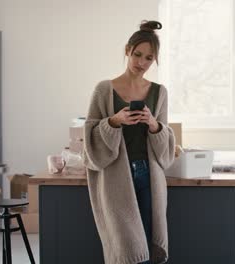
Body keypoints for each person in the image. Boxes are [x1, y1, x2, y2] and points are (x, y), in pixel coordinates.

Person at [82, 20, 175, 264]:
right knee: (127, 250)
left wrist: (154, 125)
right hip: (116, 179)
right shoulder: (104, 89)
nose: (141, 63)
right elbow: (90, 139)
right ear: (127, 50)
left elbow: (166, 151)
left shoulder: (159, 92)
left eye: (149, 58)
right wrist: (113, 121)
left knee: (148, 245)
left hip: (149, 176)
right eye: (137, 54)